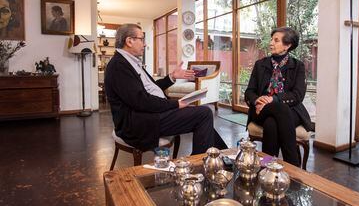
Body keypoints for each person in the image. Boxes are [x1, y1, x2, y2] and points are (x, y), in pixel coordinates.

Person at [104, 23, 227, 154]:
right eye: (141, 39)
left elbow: (151, 88)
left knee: (202, 116)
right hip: (138, 123)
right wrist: (175, 104)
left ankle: (222, 155)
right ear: (129, 41)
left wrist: (172, 77)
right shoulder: (119, 66)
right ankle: (203, 161)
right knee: (204, 114)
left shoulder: (130, 62)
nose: (144, 44)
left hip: (150, 114)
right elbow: (141, 101)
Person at [245, 27, 313, 166]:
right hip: (261, 109)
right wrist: (257, 100)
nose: (271, 43)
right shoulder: (260, 65)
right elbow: (249, 91)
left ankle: (267, 167)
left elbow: (298, 95)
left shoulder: (298, 66)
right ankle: (293, 165)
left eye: (276, 40)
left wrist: (273, 99)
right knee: (280, 111)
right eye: (272, 39)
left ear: (287, 45)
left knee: (272, 124)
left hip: (291, 110)